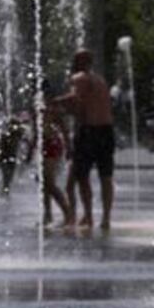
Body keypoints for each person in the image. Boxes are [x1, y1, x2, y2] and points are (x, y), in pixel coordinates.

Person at [53, 50, 116, 230]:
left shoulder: (79, 78)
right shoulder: (101, 80)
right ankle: (106, 218)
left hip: (89, 131)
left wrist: (55, 102)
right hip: (107, 130)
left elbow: (75, 99)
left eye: (75, 60)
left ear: (79, 62)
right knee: (106, 176)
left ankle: (88, 216)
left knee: (82, 176)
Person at [30, 103, 74, 226]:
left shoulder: (53, 107)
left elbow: (63, 128)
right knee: (43, 182)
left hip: (52, 144)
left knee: (48, 182)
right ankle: (47, 215)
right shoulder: (36, 106)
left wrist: (69, 146)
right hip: (44, 144)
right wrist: (31, 148)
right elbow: (36, 130)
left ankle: (67, 213)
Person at [0, 115, 26, 196]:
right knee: (6, 175)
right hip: (4, 157)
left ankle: (5, 190)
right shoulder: (5, 135)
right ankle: (5, 191)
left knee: (9, 176)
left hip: (12, 157)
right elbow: (0, 146)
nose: (14, 127)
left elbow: (23, 133)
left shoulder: (17, 134)